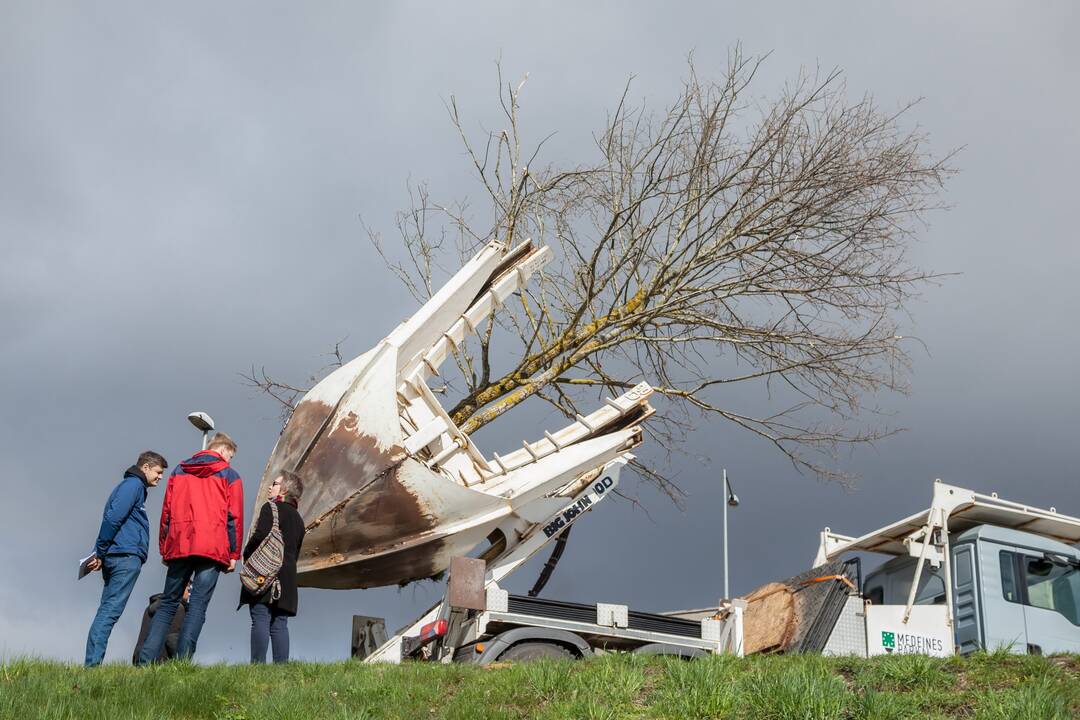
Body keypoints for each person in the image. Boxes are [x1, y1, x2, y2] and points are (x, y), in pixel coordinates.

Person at [136, 432, 244, 664]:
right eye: (231, 456)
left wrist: (165, 547)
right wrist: (234, 554)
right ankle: (182, 663)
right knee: (197, 607)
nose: (230, 461)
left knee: (167, 604)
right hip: (213, 547)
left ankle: (145, 660)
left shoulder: (178, 471)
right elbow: (234, 517)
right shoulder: (230, 476)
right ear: (223, 450)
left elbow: (166, 512)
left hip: (180, 544)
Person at [84, 451, 168, 667]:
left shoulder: (133, 488)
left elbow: (112, 518)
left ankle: (92, 663)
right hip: (124, 556)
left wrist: (99, 552)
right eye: (158, 472)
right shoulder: (133, 486)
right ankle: (92, 665)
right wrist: (99, 551)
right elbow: (113, 518)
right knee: (110, 611)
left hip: (118, 554)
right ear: (146, 467)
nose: (160, 477)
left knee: (108, 609)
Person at [239, 470, 306, 663]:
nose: (270, 486)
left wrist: (247, 555)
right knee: (279, 623)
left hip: (267, 573)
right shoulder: (299, 520)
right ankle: (280, 669)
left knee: (260, 616)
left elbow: (260, 535)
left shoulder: (271, 508)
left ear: (284, 489)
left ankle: (258, 666)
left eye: (275, 483)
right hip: (287, 578)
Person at [131, 583, 190, 664]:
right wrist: (182, 663)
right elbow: (172, 639)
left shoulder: (150, 608)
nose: (190, 593)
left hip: (140, 659)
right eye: (188, 589)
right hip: (162, 663)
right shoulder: (178, 609)